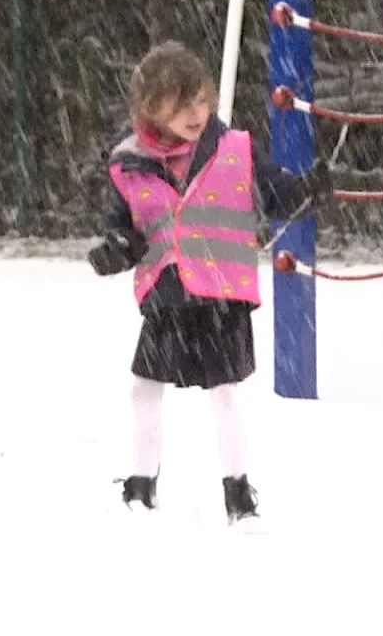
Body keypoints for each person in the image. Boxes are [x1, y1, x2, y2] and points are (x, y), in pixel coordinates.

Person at [88, 41, 331, 524]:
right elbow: (127, 225)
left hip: (220, 290)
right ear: (149, 111)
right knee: (144, 387)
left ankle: (238, 490)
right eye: (179, 106)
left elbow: (276, 192)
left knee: (224, 392)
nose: (196, 112)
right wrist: (116, 248)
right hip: (167, 293)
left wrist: (306, 189)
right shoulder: (127, 164)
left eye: (201, 99)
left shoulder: (233, 148)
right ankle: (140, 483)